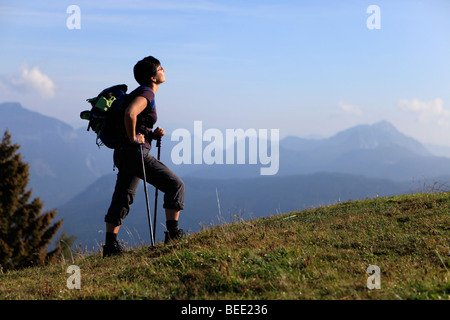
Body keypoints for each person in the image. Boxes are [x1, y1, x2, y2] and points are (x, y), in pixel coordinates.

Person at [103, 56, 185, 257]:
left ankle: (110, 247)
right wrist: (133, 139)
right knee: (175, 185)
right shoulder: (147, 93)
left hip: (123, 154)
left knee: (123, 197)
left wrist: (150, 134)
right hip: (135, 154)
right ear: (152, 76)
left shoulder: (139, 92)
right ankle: (173, 234)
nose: (163, 69)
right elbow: (130, 114)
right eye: (160, 67)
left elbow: (136, 122)